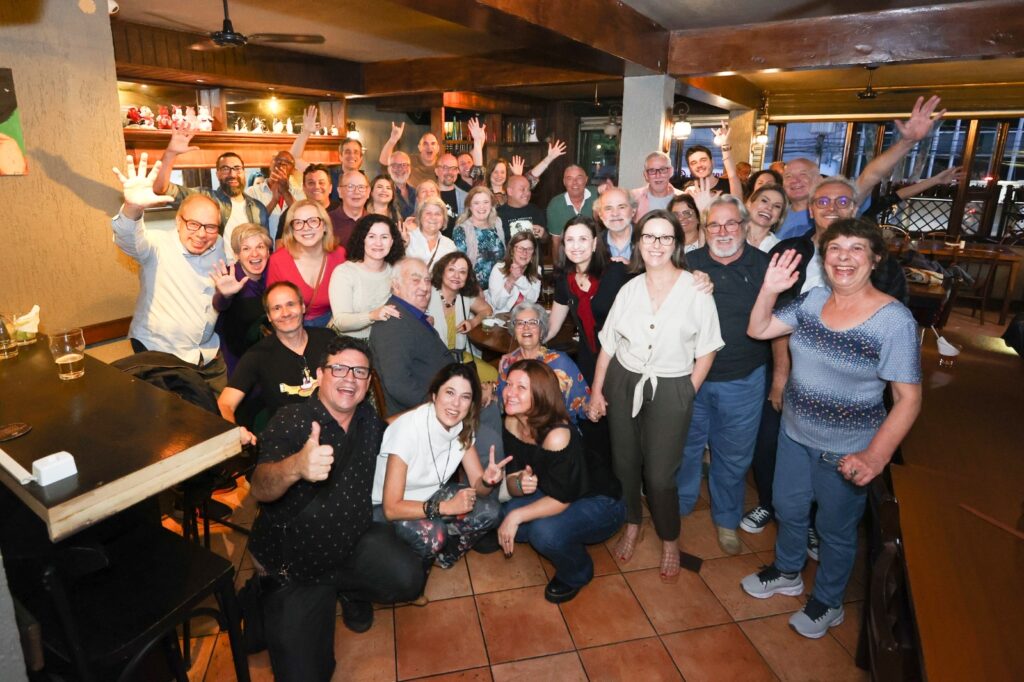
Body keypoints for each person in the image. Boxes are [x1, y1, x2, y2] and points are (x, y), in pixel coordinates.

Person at [741, 218, 921, 639]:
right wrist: (769, 288)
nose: (844, 257)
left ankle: (829, 601)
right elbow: (759, 329)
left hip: (846, 449)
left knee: (835, 531)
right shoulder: (813, 300)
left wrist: (875, 455)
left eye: (857, 249)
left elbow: (909, 399)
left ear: (875, 259)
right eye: (835, 248)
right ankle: (788, 571)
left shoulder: (893, 321)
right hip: (794, 434)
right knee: (788, 510)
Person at [248, 335, 426, 682]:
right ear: (320, 374)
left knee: (408, 578)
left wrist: (434, 408)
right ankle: (261, 594)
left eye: (360, 372)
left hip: (350, 545)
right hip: (299, 570)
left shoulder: (367, 422)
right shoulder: (293, 420)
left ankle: (348, 590)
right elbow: (260, 486)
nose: (350, 378)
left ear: (368, 381)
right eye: (339, 368)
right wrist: (296, 467)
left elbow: (396, 431)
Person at [588, 209, 723, 582]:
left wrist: (686, 391)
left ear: (677, 244)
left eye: (665, 237)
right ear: (638, 243)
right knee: (625, 464)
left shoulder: (696, 289)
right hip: (623, 380)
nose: (656, 245)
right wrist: (597, 391)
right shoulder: (629, 289)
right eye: (649, 236)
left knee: (662, 475)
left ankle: (669, 536)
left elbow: (708, 348)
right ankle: (632, 521)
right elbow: (608, 346)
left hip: (672, 384)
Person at [676, 196, 777, 555]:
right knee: (685, 447)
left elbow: (781, 327)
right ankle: (680, 505)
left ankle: (726, 520)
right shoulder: (688, 264)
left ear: (744, 227)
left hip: (743, 379)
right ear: (704, 230)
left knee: (733, 456)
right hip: (690, 378)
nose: (723, 231)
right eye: (714, 225)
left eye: (730, 224)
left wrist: (780, 377)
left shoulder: (765, 266)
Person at [499, 360, 624, 604]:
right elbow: (514, 478)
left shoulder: (557, 434)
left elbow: (561, 499)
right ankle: (561, 533)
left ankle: (577, 572)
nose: (509, 392)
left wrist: (516, 517)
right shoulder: (512, 421)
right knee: (509, 511)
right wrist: (517, 483)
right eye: (508, 384)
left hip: (600, 501)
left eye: (521, 387)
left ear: (540, 394)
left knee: (543, 533)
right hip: (554, 488)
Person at [110, 153, 229, 392]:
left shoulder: (219, 245)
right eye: (193, 224)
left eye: (210, 227)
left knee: (221, 423)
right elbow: (127, 238)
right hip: (161, 358)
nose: (201, 234)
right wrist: (132, 206)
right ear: (178, 221)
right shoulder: (156, 246)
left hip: (207, 356)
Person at [372, 363, 507, 569]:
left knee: (491, 511)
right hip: (385, 506)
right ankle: (411, 568)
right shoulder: (408, 430)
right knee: (436, 533)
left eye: (465, 397)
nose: (456, 404)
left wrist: (488, 481)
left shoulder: (462, 428)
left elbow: (478, 485)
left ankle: (441, 557)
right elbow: (391, 508)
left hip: (429, 495)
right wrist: (446, 507)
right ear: (434, 395)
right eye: (450, 393)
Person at [775, 96, 945, 240]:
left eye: (803, 174)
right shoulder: (777, 213)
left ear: (819, 180)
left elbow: (870, 175)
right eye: (788, 176)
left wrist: (907, 142)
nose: (795, 180)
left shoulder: (840, 206)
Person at [217, 281, 337, 435]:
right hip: (289, 438)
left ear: (302, 307)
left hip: (333, 428)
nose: (285, 313)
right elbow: (225, 403)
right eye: (276, 308)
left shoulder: (327, 338)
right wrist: (235, 434)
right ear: (269, 316)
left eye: (291, 304)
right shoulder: (257, 355)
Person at [151, 123, 269, 260]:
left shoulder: (258, 208)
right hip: (216, 273)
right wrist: (171, 153)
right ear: (218, 174)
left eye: (237, 168)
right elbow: (161, 189)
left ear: (244, 172)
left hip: (248, 273)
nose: (232, 174)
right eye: (225, 169)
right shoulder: (204, 199)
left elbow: (265, 247)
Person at [546, 216, 633, 384]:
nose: (576, 246)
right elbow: (552, 326)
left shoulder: (617, 272)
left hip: (621, 362)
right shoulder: (565, 280)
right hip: (588, 360)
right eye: (570, 240)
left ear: (594, 244)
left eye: (583, 239)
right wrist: (529, 343)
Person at [369, 257, 456, 416]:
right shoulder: (393, 323)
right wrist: (442, 407)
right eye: (415, 280)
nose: (424, 287)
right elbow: (399, 385)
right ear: (396, 285)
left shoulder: (409, 314)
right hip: (420, 416)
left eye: (427, 280)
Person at [498, 302, 589, 424]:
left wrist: (591, 410)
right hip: (518, 430)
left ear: (541, 331)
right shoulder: (508, 363)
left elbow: (584, 403)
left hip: (554, 432)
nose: (526, 327)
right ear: (514, 331)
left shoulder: (560, 363)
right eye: (520, 323)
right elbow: (500, 400)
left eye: (533, 323)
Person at [266, 199, 346, 327]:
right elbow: (274, 307)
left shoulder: (340, 255)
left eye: (313, 221)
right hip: (292, 328)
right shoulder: (278, 261)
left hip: (333, 325)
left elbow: (348, 298)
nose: (306, 228)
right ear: (291, 230)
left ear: (324, 225)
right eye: (298, 223)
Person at [328, 214, 405, 339]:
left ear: (392, 241)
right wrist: (372, 315)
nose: (378, 243)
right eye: (371, 236)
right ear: (362, 239)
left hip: (385, 343)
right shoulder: (344, 272)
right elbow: (341, 322)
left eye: (384, 237)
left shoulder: (396, 272)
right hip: (349, 345)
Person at [211, 222, 271, 376]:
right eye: (246, 248)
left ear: (268, 251)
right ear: (237, 254)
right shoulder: (231, 278)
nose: (255, 254)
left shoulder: (273, 275)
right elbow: (220, 304)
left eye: (260, 247)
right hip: (238, 363)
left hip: (268, 358)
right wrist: (224, 295)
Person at [427, 251, 496, 383]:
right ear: (442, 272)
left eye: (462, 272)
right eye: (451, 269)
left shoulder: (465, 296)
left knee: (493, 375)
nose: (456, 276)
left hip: (460, 358)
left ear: (467, 277)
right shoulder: (427, 294)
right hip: (434, 360)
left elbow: (487, 310)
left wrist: (473, 322)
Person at [452, 186, 507, 284]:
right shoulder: (461, 230)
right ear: (470, 206)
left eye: (486, 202)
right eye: (476, 203)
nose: (482, 207)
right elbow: (460, 266)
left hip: (500, 286)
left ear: (491, 205)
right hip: (474, 289)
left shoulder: (497, 223)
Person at [546, 164, 595, 257]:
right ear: (564, 182)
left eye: (579, 178)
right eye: (569, 178)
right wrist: (558, 267)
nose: (575, 182)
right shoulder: (555, 205)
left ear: (586, 179)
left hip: (596, 258)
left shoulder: (598, 197)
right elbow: (556, 242)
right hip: (569, 258)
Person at [486, 231, 541, 314]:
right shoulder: (498, 268)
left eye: (529, 249)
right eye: (520, 248)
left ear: (533, 253)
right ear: (512, 250)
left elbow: (532, 300)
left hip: (524, 319)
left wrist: (519, 278)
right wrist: (510, 281)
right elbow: (498, 304)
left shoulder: (536, 269)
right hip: (501, 320)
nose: (525, 253)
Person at [378, 122, 441, 188]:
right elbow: (384, 163)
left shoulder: (442, 164)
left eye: (433, 143)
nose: (429, 147)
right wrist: (392, 140)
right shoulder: (409, 160)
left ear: (438, 148)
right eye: (425, 144)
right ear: (419, 147)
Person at [404, 196, 458, 269]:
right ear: (420, 217)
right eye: (428, 213)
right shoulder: (407, 238)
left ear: (444, 219)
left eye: (438, 214)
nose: (433, 217)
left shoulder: (450, 245)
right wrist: (402, 244)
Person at [630, 151, 683, 216]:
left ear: (671, 172)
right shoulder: (633, 197)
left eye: (663, 169)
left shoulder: (683, 198)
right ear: (646, 175)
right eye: (652, 170)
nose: (658, 175)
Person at [497, 175, 547, 242]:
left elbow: (546, 240)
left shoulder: (536, 211)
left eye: (529, 189)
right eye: (522, 189)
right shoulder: (498, 214)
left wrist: (543, 235)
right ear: (510, 192)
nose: (527, 193)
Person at [595, 186, 636, 262]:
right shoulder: (594, 246)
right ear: (600, 214)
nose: (615, 213)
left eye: (622, 207)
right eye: (608, 208)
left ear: (633, 211)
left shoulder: (648, 240)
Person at [331, 170, 370, 250]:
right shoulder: (328, 222)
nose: (356, 192)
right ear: (340, 192)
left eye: (361, 187)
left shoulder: (374, 222)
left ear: (368, 192)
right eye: (350, 187)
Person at [745, 184, 788, 253]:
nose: (769, 208)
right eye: (764, 201)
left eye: (777, 206)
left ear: (779, 217)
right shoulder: (728, 235)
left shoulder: (780, 249)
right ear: (749, 204)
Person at [387, 151, 417, 219]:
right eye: (395, 165)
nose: (400, 168)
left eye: (404, 165)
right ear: (388, 169)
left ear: (410, 168)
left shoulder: (416, 192)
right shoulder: (385, 193)